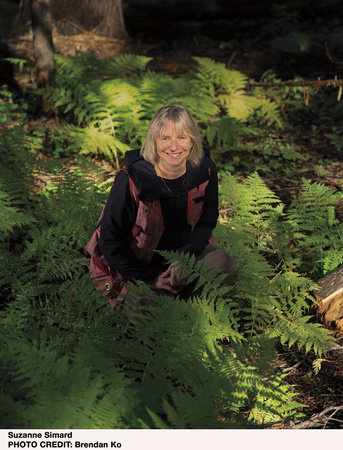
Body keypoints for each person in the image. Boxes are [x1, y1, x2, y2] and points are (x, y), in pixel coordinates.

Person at [85, 104, 237, 309]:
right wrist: (152, 278)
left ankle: (196, 313)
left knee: (223, 263)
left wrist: (185, 258)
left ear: (192, 141)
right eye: (165, 138)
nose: (174, 147)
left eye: (182, 138)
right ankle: (169, 312)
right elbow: (110, 243)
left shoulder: (204, 171)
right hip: (135, 273)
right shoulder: (131, 180)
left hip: (179, 265)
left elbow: (207, 220)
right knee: (147, 310)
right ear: (153, 141)